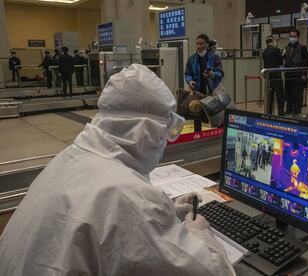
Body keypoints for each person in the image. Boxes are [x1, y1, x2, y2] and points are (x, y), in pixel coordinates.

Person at [0, 64, 235, 276]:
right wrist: (200, 233)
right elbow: (213, 271)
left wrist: (167, 213)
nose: (166, 142)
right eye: (166, 132)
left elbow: (104, 224)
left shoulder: (71, 158)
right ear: (145, 131)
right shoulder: (126, 195)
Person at [185, 34, 224, 132]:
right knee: (197, 115)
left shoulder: (214, 58)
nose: (199, 46)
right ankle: (197, 134)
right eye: (197, 43)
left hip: (212, 91)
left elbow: (221, 73)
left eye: (201, 43)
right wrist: (190, 81)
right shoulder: (192, 59)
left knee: (217, 115)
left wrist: (212, 74)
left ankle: (218, 135)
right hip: (198, 91)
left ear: (206, 45)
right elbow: (187, 73)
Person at [284, 29, 308, 115]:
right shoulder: (287, 47)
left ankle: (297, 110)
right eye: (291, 36)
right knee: (288, 93)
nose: (292, 38)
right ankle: (289, 109)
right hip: (288, 74)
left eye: (294, 36)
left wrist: (305, 73)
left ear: (298, 37)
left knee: (297, 94)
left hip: (297, 74)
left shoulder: (302, 47)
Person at [262, 36, 284, 116]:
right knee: (279, 97)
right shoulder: (276, 50)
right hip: (277, 76)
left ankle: (269, 114)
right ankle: (281, 114)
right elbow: (281, 62)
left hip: (269, 77)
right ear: (272, 41)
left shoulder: (264, 52)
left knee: (269, 98)